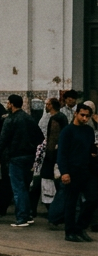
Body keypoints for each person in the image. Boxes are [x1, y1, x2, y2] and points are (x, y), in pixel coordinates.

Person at [0, 94, 41, 227]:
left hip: (15, 157)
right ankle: (27, 215)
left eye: (8, 103)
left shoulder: (10, 120)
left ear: (11, 104)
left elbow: (3, 140)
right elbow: (40, 137)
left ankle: (21, 217)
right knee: (25, 187)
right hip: (29, 157)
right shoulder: (29, 118)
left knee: (18, 188)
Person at [57, 104, 97, 243]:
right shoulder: (68, 131)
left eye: (87, 116)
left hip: (87, 171)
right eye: (82, 115)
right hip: (72, 171)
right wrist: (64, 172)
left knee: (93, 198)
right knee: (71, 203)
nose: (85, 118)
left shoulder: (89, 131)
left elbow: (90, 149)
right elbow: (62, 153)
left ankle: (80, 227)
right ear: (76, 114)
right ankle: (70, 231)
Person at [42, 98, 69, 227]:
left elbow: (52, 139)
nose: (46, 106)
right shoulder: (62, 117)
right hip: (60, 155)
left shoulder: (55, 119)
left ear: (51, 106)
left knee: (57, 187)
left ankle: (56, 215)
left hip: (55, 157)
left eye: (47, 104)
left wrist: (50, 157)